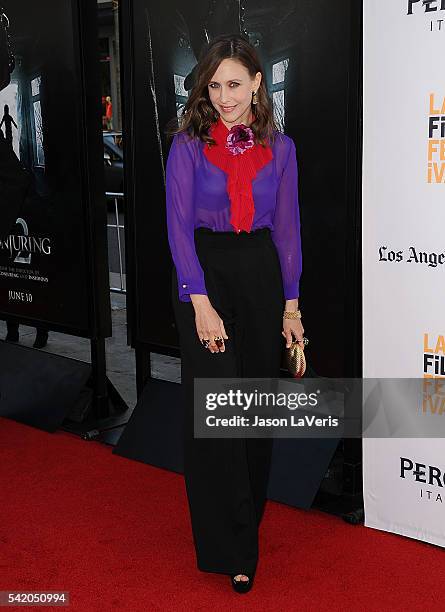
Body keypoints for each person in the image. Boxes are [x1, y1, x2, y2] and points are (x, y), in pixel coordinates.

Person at [165, 33, 304, 593]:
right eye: (215, 85)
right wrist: (198, 300)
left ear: (256, 84)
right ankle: (230, 546)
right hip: (206, 277)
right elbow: (177, 228)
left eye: (234, 84)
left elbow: (289, 229)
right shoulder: (187, 147)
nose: (223, 97)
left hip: (261, 278)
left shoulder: (283, 148)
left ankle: (246, 524)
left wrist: (291, 305)